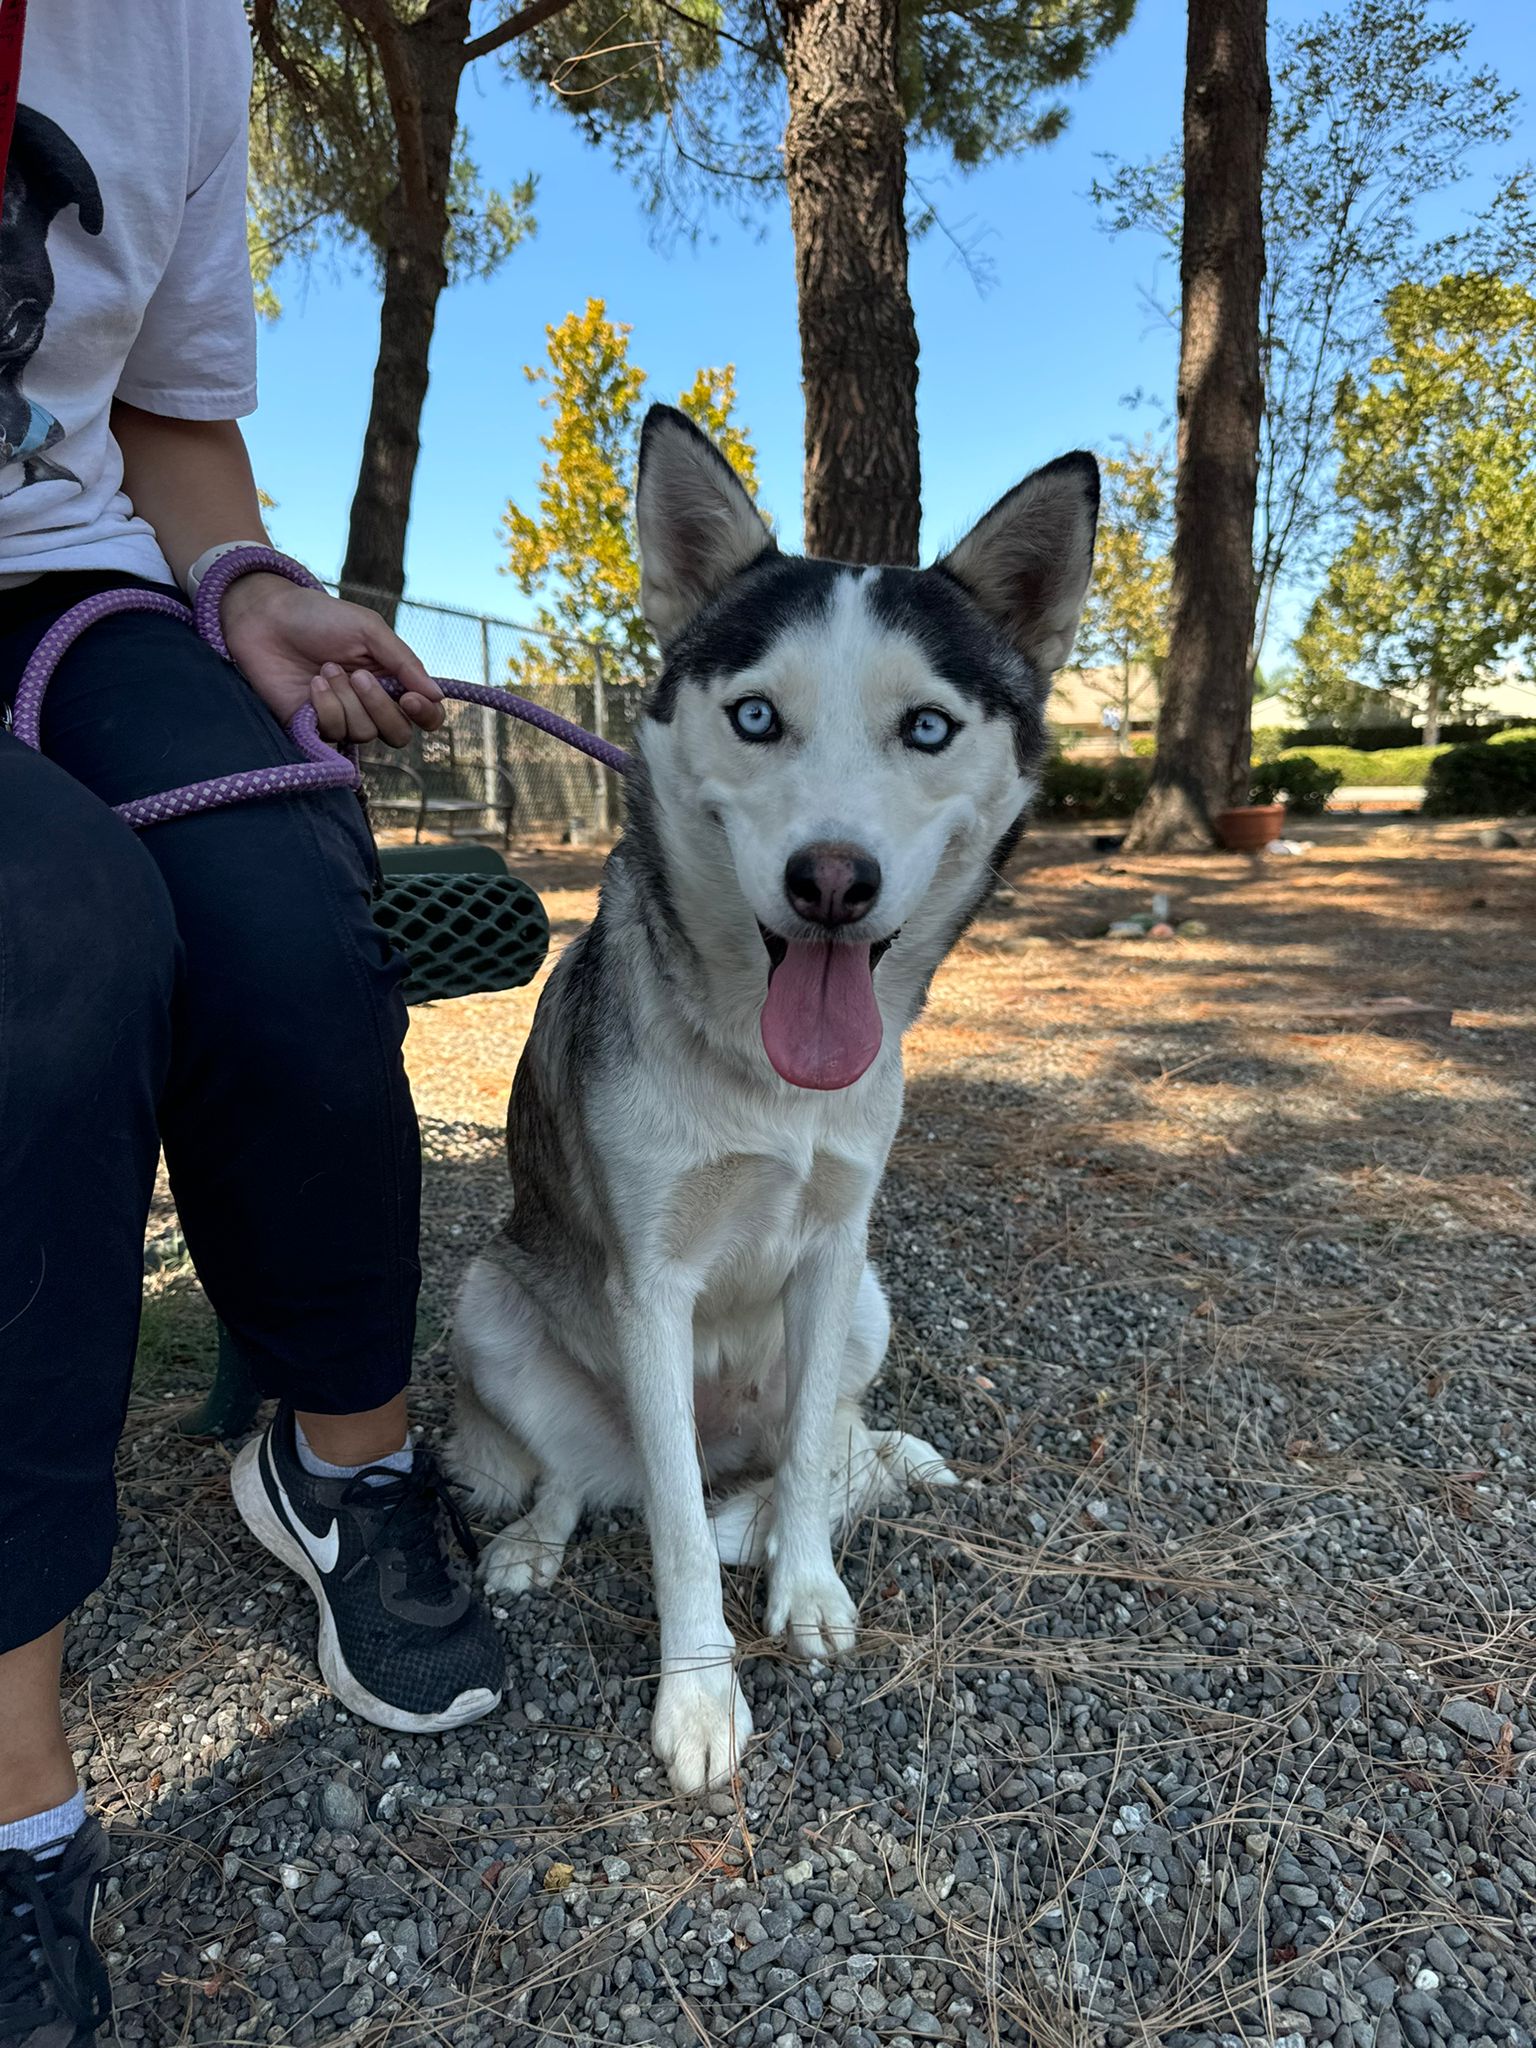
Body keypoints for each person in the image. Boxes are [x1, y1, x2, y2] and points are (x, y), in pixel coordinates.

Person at [0, 8, 505, 2041]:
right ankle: (16, 1780)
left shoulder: (177, 23)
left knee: (286, 876)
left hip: (63, 582)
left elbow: (172, 423)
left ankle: (339, 1459)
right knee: (47, 936)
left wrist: (249, 582)